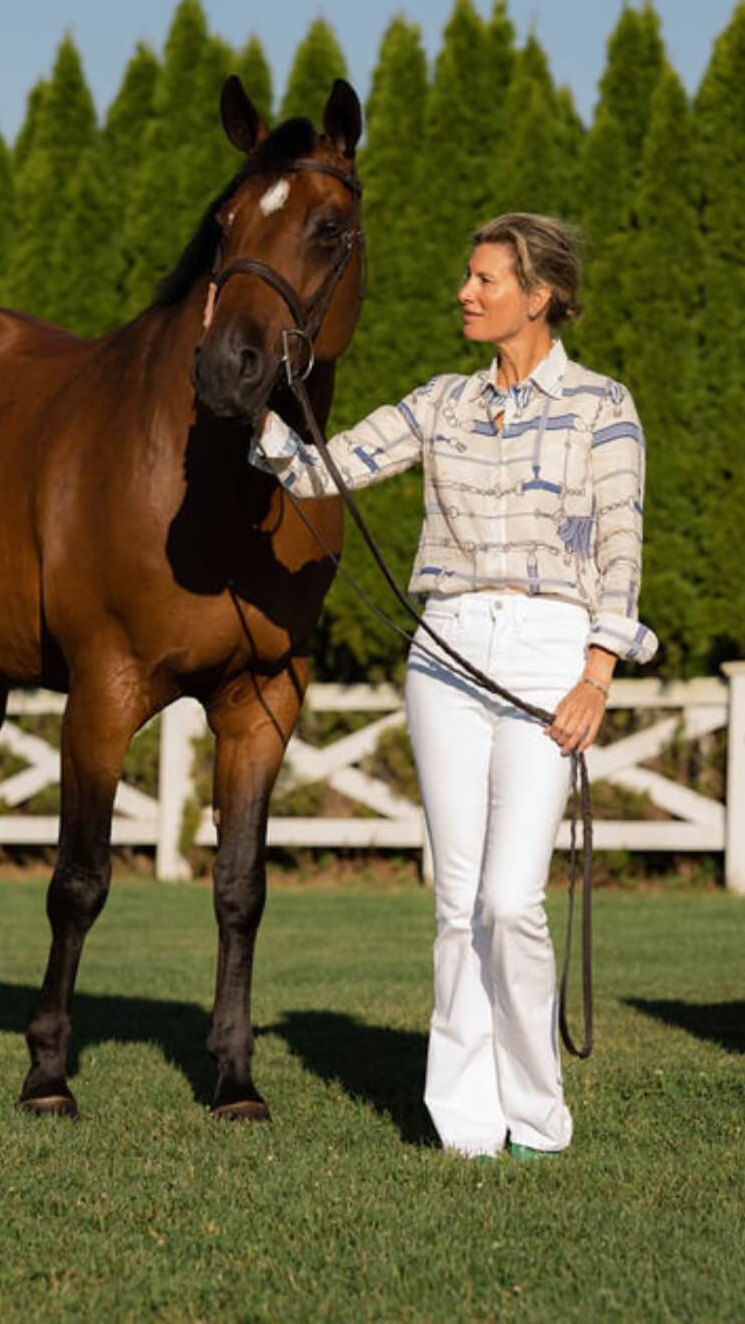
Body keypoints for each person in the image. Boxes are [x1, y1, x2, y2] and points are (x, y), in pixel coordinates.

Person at [252, 213, 657, 1159]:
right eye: (468, 278)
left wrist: (597, 675)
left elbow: (622, 546)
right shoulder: (441, 402)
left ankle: (538, 1114)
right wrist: (255, 408)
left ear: (540, 295)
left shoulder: (603, 406)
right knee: (458, 901)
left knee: (511, 901)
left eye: (485, 280)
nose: (464, 293)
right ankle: (468, 1127)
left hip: (549, 652)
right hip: (446, 652)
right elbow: (324, 470)